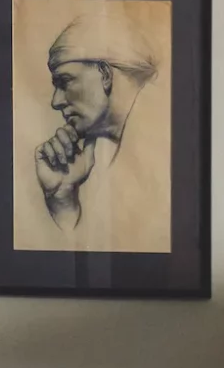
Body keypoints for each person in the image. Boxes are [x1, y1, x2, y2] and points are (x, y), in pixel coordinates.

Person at [34, 13, 160, 234]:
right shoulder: (105, 161)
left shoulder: (162, 154)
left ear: (104, 74)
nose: (56, 101)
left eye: (64, 81)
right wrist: (62, 200)